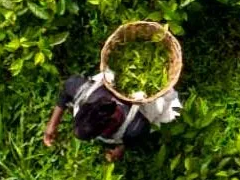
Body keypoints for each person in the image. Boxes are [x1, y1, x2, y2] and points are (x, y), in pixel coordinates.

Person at [42, 66, 182, 162]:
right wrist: (52, 124)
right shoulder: (81, 90)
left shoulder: (135, 127)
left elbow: (129, 141)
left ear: (111, 123)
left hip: (142, 105)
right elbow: (66, 90)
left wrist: (119, 150)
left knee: (162, 107)